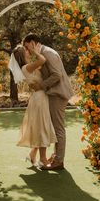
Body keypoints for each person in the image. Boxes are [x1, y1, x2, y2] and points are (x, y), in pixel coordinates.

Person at [23, 34, 73, 170]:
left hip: (58, 93)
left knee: (58, 129)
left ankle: (58, 162)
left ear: (33, 42)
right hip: (53, 93)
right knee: (55, 128)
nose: (27, 50)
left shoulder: (48, 53)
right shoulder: (42, 53)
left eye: (27, 46)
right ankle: (56, 157)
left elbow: (57, 74)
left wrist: (41, 85)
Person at [8, 43, 57, 167]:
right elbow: (42, 59)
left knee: (40, 127)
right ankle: (43, 160)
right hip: (39, 98)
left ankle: (32, 155)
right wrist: (34, 50)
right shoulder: (26, 67)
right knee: (42, 128)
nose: (28, 50)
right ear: (23, 53)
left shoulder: (29, 66)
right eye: (26, 49)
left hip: (39, 97)